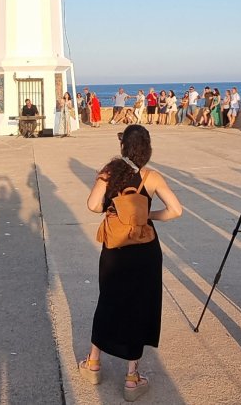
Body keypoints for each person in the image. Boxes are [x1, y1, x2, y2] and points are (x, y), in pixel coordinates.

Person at [79, 125, 183, 401]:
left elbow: (92, 205)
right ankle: (132, 378)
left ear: (123, 145)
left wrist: (114, 208)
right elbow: (176, 210)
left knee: (108, 300)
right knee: (140, 306)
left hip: (114, 248)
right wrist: (147, 217)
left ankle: (93, 363)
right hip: (145, 250)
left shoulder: (109, 171)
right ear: (147, 148)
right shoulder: (152, 176)